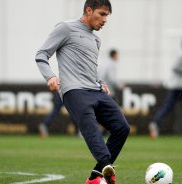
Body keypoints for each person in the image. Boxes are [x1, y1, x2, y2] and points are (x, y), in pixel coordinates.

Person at [35, 1, 130, 184]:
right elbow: (41, 54)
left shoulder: (96, 40)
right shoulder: (65, 28)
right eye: (102, 14)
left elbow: (89, 69)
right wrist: (50, 76)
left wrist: (100, 82)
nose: (105, 20)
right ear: (88, 10)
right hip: (74, 91)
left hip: (96, 90)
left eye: (107, 16)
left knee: (122, 127)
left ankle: (96, 177)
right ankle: (105, 164)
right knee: (89, 124)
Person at [148, 39, 182, 139]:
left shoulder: (181, 55)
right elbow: (174, 67)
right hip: (181, 86)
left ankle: (155, 122)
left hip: (176, 86)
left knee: (168, 107)